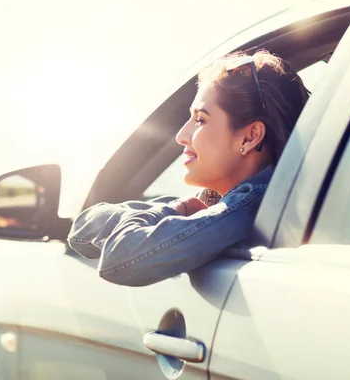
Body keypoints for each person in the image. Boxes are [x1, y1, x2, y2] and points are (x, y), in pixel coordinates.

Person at [67, 50, 310, 287]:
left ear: (250, 137)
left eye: (200, 119)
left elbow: (119, 258)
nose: (182, 136)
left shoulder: (249, 205)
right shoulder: (225, 201)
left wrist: (176, 210)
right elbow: (82, 229)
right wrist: (176, 209)